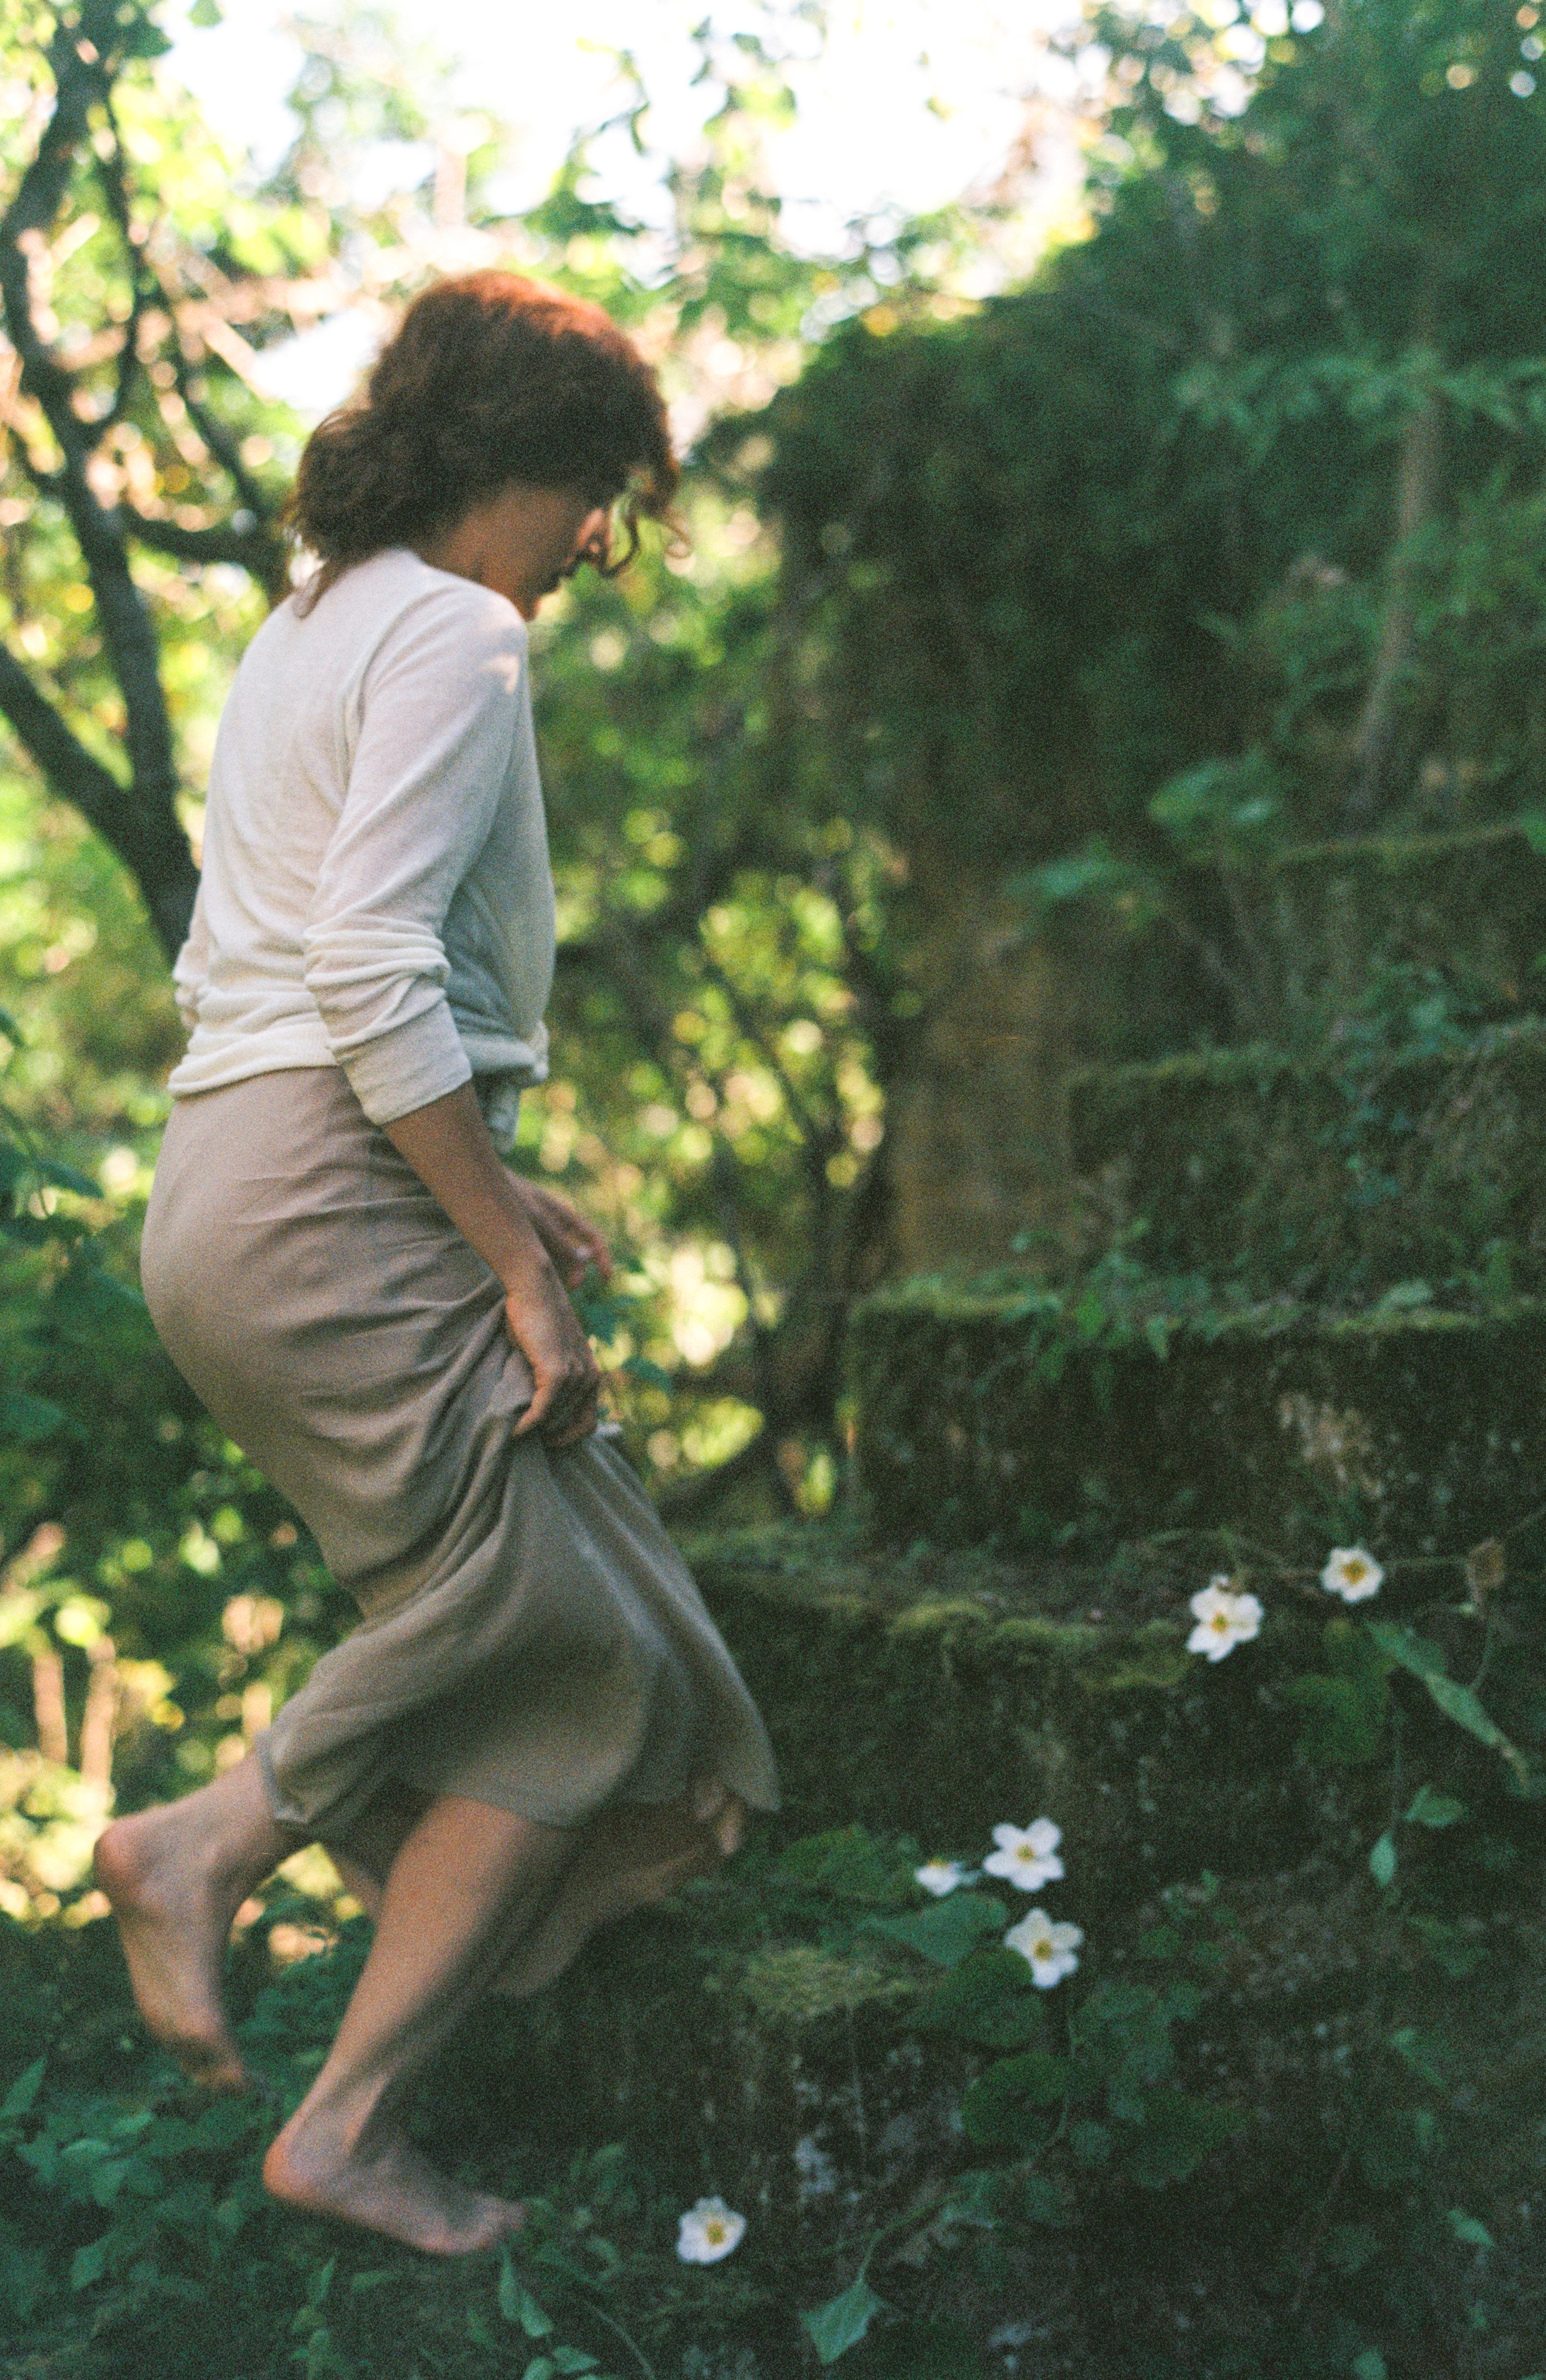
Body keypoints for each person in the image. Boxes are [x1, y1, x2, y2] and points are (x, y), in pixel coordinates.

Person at [94, 269, 780, 2258]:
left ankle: (337, 2117)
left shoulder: (309, 624)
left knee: (596, 1658)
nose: (602, 540)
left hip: (235, 1187)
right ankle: (207, 1846)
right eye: (600, 489)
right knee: (570, 1642)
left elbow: (296, 972)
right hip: (325, 1187)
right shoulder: (461, 636)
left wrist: (485, 1188)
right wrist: (516, 1265)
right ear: (524, 464)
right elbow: (373, 969)